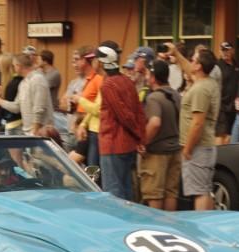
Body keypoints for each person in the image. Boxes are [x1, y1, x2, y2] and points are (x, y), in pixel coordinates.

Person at [92, 41, 145, 200]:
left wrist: (137, 134)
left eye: (96, 59)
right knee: (126, 189)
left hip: (113, 144)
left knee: (114, 193)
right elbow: (139, 112)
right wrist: (140, 138)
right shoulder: (127, 81)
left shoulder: (108, 85)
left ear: (102, 61)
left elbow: (125, 115)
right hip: (127, 145)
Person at [179, 48, 220, 210]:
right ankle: (208, 228)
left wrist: (187, 149)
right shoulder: (209, 83)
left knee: (200, 192)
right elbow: (188, 68)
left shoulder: (200, 89)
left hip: (198, 147)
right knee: (205, 189)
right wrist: (176, 53)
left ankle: (201, 231)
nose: (190, 62)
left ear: (199, 66)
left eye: (194, 60)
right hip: (205, 146)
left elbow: (197, 123)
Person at [139, 60, 180, 211]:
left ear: (153, 77)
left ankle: (157, 226)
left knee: (154, 193)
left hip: (157, 153)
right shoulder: (176, 95)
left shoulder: (154, 98)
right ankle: (171, 225)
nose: (146, 77)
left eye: (148, 74)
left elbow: (155, 122)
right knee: (171, 193)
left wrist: (144, 142)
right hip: (175, 150)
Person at [0, 53, 53, 135]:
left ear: (18, 66)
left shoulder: (37, 79)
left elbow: (39, 108)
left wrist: (35, 130)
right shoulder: (23, 83)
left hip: (40, 131)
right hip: (28, 131)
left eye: (13, 66)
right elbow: (16, 107)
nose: (13, 69)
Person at [216, 41, 239, 145]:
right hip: (222, 107)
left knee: (232, 136)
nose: (225, 53)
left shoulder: (238, 65)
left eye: (227, 50)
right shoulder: (217, 66)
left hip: (235, 107)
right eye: (223, 50)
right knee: (222, 136)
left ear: (232, 51)